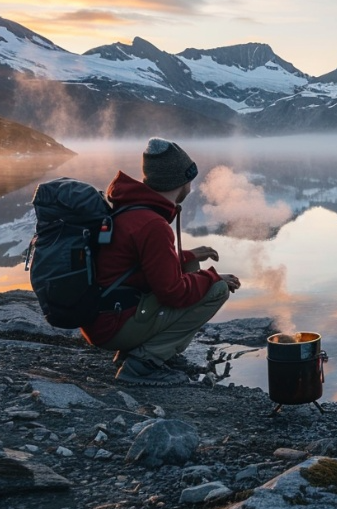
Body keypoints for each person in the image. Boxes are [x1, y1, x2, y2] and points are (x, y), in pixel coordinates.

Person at [81, 138, 241, 385]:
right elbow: (172, 293)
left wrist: (187, 257)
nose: (191, 186)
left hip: (106, 318)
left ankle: (149, 352)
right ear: (181, 181)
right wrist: (213, 278)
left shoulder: (131, 208)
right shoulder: (153, 224)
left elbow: (137, 268)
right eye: (190, 179)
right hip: (114, 326)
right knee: (216, 290)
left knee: (189, 268)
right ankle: (144, 363)